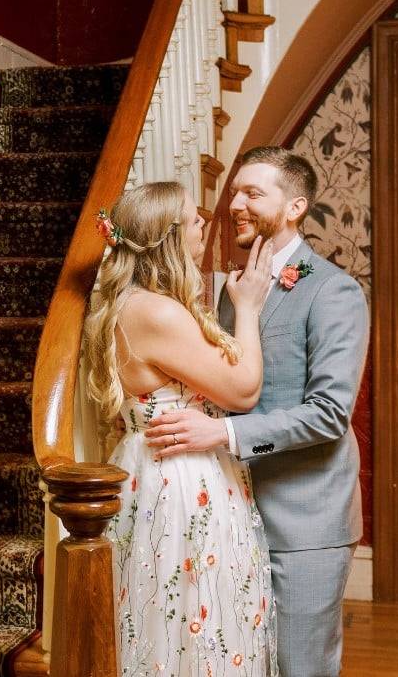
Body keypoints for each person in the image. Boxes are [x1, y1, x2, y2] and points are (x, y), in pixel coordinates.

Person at [146, 146, 369, 677]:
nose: (235, 204)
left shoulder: (335, 292)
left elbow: (328, 414)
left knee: (299, 667)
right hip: (227, 513)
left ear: (294, 207)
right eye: (235, 191)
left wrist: (221, 432)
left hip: (303, 518)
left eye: (253, 193)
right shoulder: (231, 291)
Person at [82, 180, 279, 676]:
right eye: (194, 219)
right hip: (179, 478)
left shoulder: (132, 303)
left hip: (151, 466)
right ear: (168, 238)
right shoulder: (157, 312)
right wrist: (250, 308)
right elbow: (242, 390)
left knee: (163, 615)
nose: (204, 225)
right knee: (191, 621)